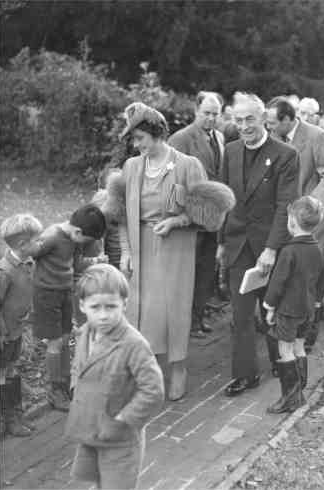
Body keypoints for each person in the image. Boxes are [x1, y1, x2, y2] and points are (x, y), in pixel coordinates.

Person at [117, 102, 207, 401]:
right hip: (140, 245)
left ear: (157, 134)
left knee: (174, 308)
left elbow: (206, 211)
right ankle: (147, 371)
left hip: (175, 247)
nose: (136, 144)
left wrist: (176, 221)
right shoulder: (131, 167)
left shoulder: (187, 165)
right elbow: (119, 213)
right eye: (134, 139)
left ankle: (178, 367)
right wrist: (126, 250)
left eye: (140, 138)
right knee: (140, 311)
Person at [218, 92, 300, 397]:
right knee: (240, 316)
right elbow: (225, 200)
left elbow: (285, 205)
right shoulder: (231, 151)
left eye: (249, 119)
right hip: (238, 244)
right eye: (238, 120)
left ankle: (281, 360)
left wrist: (271, 249)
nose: (243, 126)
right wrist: (221, 242)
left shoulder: (285, 154)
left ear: (263, 118)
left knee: (272, 309)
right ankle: (245, 374)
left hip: (271, 246)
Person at [65, 264, 164, 490]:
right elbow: (78, 366)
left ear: (125, 304)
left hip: (120, 439)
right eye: (95, 307)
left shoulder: (133, 344)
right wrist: (75, 390)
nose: (103, 315)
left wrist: (122, 420)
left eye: (111, 307)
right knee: (98, 482)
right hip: (91, 429)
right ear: (82, 306)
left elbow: (153, 391)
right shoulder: (85, 333)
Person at [266, 96, 324, 352]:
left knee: (311, 278)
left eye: (273, 123)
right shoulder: (274, 139)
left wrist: (308, 207)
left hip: (313, 220)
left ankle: (309, 330)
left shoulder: (317, 137)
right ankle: (291, 327)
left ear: (288, 119)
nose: (269, 129)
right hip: (286, 220)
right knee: (291, 275)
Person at [30, 204, 107, 411]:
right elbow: (31, 254)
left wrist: (97, 261)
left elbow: (76, 263)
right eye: (87, 241)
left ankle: (64, 383)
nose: (85, 244)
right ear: (78, 231)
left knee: (65, 338)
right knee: (55, 343)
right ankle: (54, 390)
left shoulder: (74, 239)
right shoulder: (52, 237)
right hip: (46, 295)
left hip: (64, 292)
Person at [263, 197, 324, 414]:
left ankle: (290, 398)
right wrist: (317, 300)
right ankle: (300, 389)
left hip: (288, 310)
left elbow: (277, 283)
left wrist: (269, 306)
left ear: (292, 222)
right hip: (309, 309)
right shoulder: (320, 249)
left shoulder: (288, 251)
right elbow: (323, 280)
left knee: (285, 349)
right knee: (299, 346)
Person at [169, 91, 224, 338]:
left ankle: (197, 317)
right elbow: (170, 180)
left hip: (213, 218)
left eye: (216, 114)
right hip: (191, 218)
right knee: (186, 272)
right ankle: (183, 322)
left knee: (206, 270)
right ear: (196, 112)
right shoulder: (181, 139)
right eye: (206, 114)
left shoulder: (220, 138)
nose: (211, 118)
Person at [0, 214, 43, 437]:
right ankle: (7, 419)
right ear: (22, 244)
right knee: (1, 374)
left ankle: (16, 415)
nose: (41, 243)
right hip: (3, 336)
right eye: (37, 239)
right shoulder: (4, 272)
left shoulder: (28, 264)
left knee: (12, 371)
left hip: (16, 332)